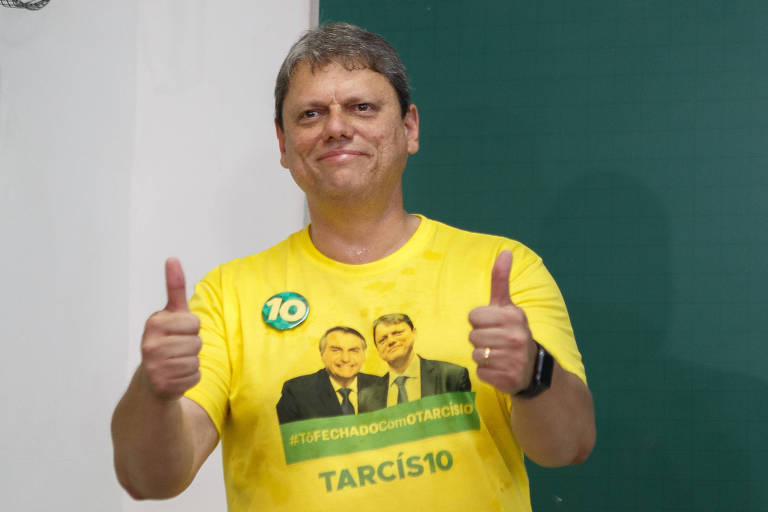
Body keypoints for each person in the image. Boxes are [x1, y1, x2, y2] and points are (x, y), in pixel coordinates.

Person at [111, 22, 595, 511]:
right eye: (311, 113)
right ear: (283, 144)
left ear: (409, 128)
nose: (336, 126)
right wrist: (153, 391)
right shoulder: (226, 296)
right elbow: (147, 480)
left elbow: (569, 445)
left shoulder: (504, 271)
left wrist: (533, 373)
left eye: (362, 107)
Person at [276, 326, 386, 423]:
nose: (345, 359)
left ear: (363, 355)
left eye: (353, 350)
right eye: (336, 350)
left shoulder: (382, 386)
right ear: (322, 354)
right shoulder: (297, 392)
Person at [373, 313, 470, 405]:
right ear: (377, 349)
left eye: (397, 333)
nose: (391, 341)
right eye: (382, 340)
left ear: (414, 333)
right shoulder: (368, 396)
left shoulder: (452, 376)